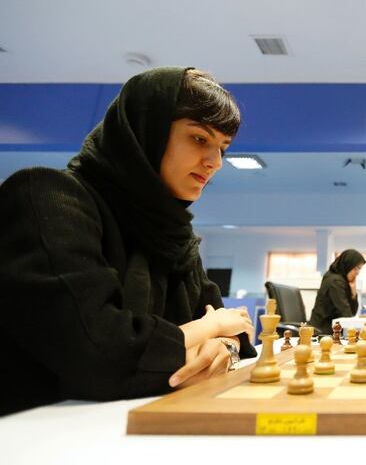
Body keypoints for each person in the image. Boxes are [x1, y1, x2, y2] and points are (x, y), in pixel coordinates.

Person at [0, 67, 256, 416]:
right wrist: (206, 328)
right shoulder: (46, 197)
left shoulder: (175, 235)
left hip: (143, 424)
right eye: (199, 139)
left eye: (222, 148)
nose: (215, 163)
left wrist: (224, 346)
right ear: (145, 132)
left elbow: (234, 327)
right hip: (43, 433)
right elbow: (97, 352)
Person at [308, 249, 365, 334]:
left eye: (360, 269)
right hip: (321, 332)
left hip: (331, 330)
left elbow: (352, 313)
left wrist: (353, 293)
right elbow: (347, 314)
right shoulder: (335, 281)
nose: (358, 273)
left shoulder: (341, 280)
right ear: (348, 265)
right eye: (356, 268)